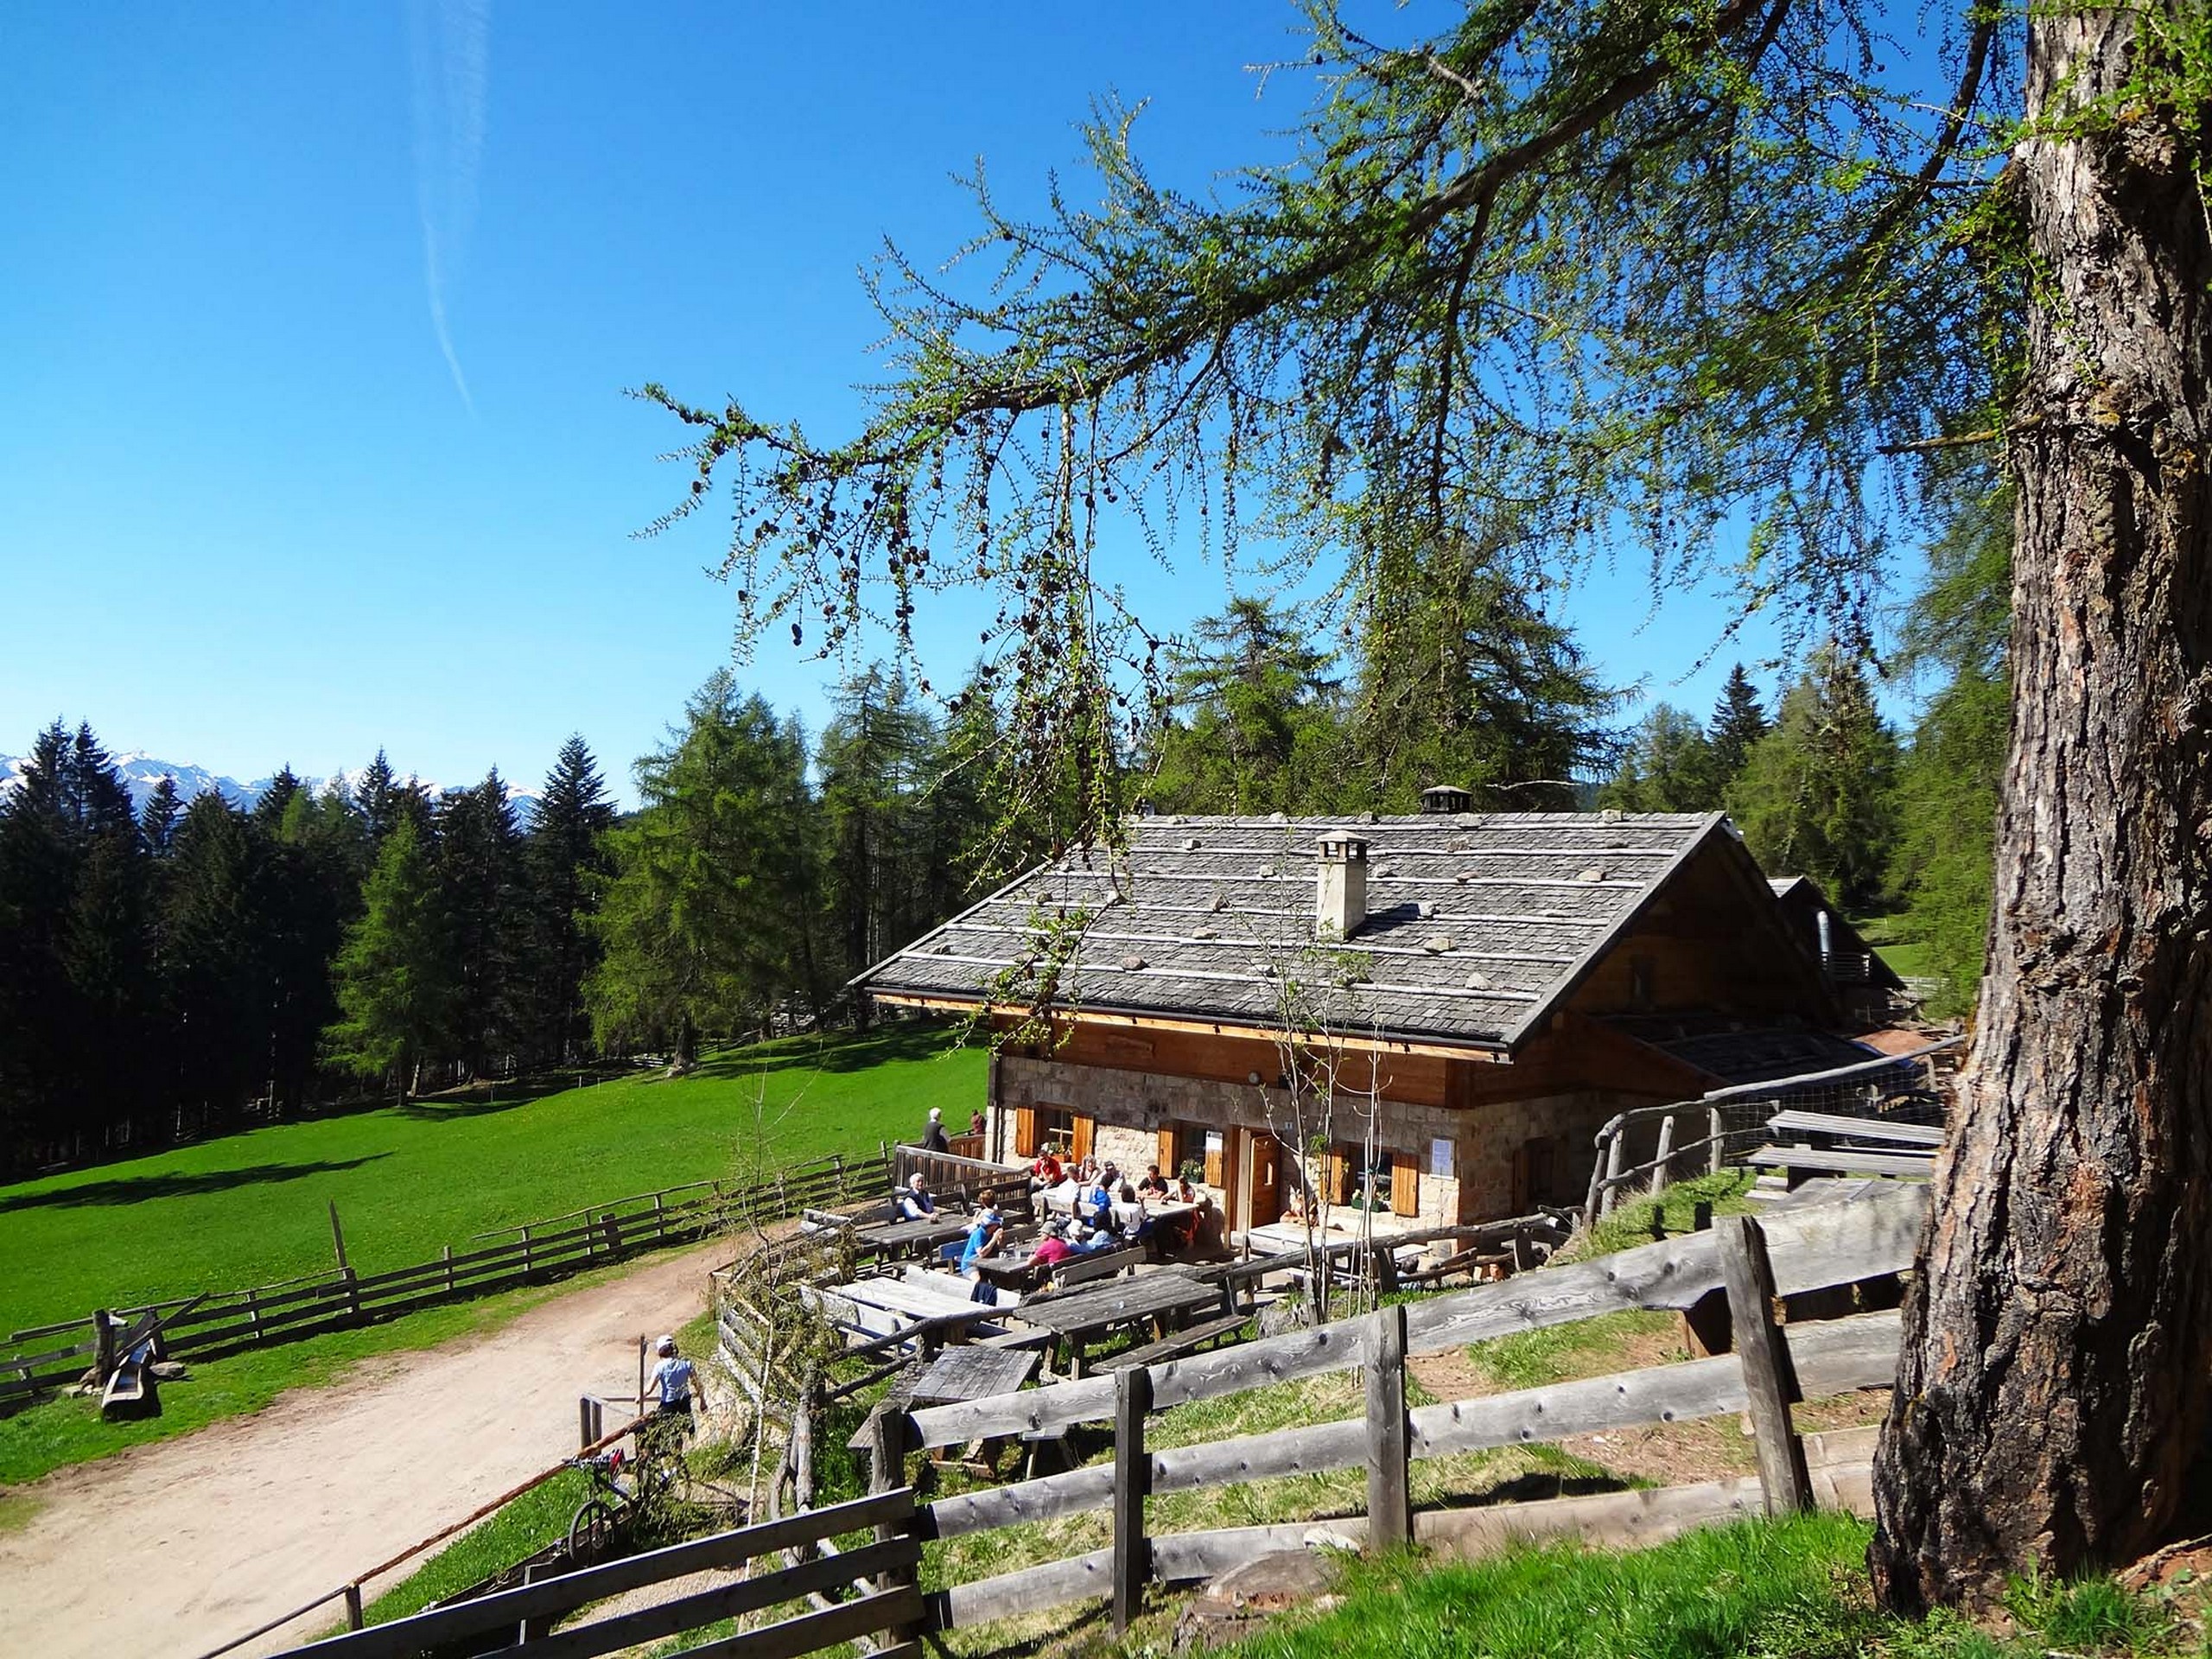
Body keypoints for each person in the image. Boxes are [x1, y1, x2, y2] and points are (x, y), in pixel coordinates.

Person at [645, 1333, 705, 1446]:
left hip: (669, 1404)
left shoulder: (660, 1366)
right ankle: (679, 1454)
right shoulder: (686, 1363)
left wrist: (641, 1396)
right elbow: (697, 1384)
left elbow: (649, 1388)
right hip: (684, 1402)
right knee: (681, 1431)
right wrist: (702, 1401)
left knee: (665, 1432)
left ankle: (672, 1456)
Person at [957, 1205, 1006, 1274]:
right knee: (978, 1281)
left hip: (986, 1263)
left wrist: (999, 1241)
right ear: (992, 1225)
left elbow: (1000, 1248)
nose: (998, 1225)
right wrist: (994, 1238)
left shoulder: (992, 1233)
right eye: (997, 1223)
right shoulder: (978, 1233)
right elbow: (982, 1254)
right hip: (970, 1264)